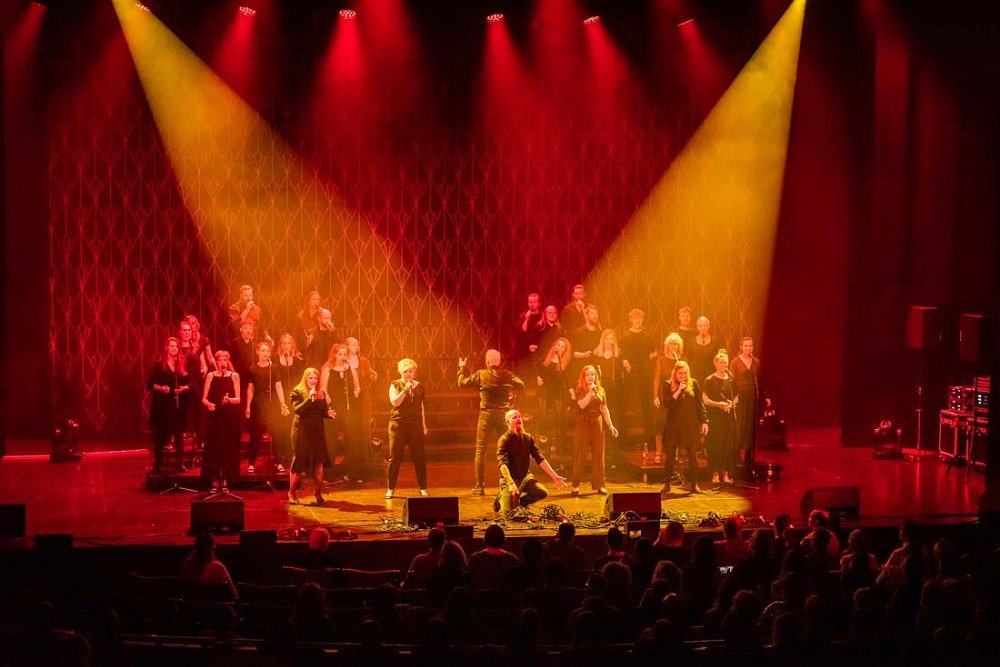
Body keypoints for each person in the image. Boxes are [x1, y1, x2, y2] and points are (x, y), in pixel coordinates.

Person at [457, 349, 525, 495]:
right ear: (499, 361)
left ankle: (479, 486)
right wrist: (509, 390)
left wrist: (462, 368)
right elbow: (521, 384)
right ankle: (508, 484)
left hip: (486, 415)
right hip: (502, 416)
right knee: (507, 449)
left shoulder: (481, 374)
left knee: (481, 450)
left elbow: (462, 383)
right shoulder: (506, 374)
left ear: (487, 361)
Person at [496, 409, 567, 512]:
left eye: (519, 416)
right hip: (509, 479)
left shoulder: (528, 438)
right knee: (509, 513)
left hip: (525, 477)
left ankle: (521, 502)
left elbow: (539, 458)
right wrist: (511, 484)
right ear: (508, 422)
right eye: (514, 417)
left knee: (542, 492)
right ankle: (501, 497)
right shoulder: (504, 440)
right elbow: (502, 465)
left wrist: (555, 476)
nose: (519, 419)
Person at [569, 365, 619, 495]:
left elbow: (604, 409)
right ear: (583, 377)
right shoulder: (579, 389)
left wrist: (610, 425)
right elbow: (581, 405)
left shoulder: (601, 390)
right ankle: (575, 485)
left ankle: (599, 485)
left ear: (596, 376)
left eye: (592, 374)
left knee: (598, 453)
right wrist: (590, 393)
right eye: (587, 375)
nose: (590, 377)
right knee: (581, 453)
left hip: (597, 422)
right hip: (583, 421)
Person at [288, 367, 335, 505]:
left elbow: (322, 411)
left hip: (317, 431)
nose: (314, 380)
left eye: (316, 378)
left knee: (319, 462)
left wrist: (328, 414)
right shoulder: (297, 391)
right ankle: (291, 492)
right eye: (311, 378)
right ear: (305, 378)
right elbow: (298, 410)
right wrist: (309, 398)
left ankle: (318, 492)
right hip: (301, 431)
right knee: (299, 462)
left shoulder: (321, 393)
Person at [660, 360, 708, 494]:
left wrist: (704, 421)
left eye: (685, 373)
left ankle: (694, 484)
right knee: (670, 454)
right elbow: (667, 403)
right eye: (680, 373)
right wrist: (678, 391)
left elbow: (699, 404)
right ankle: (667, 484)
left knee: (692, 454)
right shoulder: (667, 384)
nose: (683, 376)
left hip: (690, 425)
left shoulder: (694, 384)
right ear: (675, 373)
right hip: (674, 425)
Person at [385, 358, 429, 499]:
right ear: (400, 372)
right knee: (395, 458)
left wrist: (424, 425)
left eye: (410, 371)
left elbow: (421, 407)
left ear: (414, 372)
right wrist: (405, 390)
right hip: (398, 425)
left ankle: (423, 488)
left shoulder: (420, 387)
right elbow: (395, 402)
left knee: (419, 457)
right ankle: (390, 488)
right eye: (405, 371)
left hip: (415, 425)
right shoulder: (395, 384)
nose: (408, 374)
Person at [146, 337, 190, 473]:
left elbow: (189, 384)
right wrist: (161, 388)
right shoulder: (159, 366)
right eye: (171, 346)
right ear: (166, 348)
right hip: (162, 406)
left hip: (177, 406)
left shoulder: (181, 366)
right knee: (159, 436)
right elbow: (150, 384)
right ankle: (158, 463)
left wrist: (183, 389)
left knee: (178, 435)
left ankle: (180, 462)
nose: (174, 348)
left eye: (176, 346)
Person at [321, 343, 363, 484]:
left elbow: (357, 387)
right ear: (334, 355)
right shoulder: (328, 369)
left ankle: (352, 473)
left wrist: (356, 393)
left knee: (351, 439)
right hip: (333, 408)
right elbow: (323, 389)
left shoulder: (349, 368)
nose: (342, 357)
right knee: (331, 441)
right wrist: (327, 399)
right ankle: (329, 474)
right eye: (340, 354)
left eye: (345, 354)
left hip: (348, 408)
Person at [201, 350, 241, 493]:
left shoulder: (234, 376)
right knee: (214, 447)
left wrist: (229, 400)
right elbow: (204, 398)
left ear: (228, 362)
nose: (222, 362)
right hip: (214, 416)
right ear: (216, 362)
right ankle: (213, 479)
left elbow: (238, 399)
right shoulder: (210, 376)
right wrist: (208, 404)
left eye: (225, 360)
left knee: (227, 448)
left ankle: (225, 480)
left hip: (229, 417)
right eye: (220, 360)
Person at [619, 308, 657, 450]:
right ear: (631, 319)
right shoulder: (625, 336)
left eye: (639, 318)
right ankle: (623, 439)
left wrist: (651, 357)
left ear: (642, 320)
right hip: (629, 372)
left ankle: (647, 439)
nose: (637, 320)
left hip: (643, 373)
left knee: (646, 405)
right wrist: (625, 363)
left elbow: (653, 352)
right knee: (624, 404)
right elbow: (620, 354)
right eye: (635, 318)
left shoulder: (647, 336)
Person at [702, 349, 737, 485]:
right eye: (721, 362)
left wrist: (730, 405)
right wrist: (719, 405)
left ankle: (725, 472)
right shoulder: (709, 380)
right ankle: (715, 472)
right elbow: (705, 400)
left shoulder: (731, 379)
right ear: (716, 363)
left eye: (725, 362)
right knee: (715, 444)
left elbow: (737, 396)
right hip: (715, 416)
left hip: (728, 416)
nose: (724, 365)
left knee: (727, 445)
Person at [245, 340, 279, 475]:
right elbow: (250, 389)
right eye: (263, 351)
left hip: (271, 403)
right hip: (257, 404)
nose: (265, 353)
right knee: (255, 434)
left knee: (275, 433)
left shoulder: (273, 368)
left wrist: (282, 403)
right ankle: (251, 462)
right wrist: (248, 405)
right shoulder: (252, 369)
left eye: (268, 351)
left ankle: (277, 461)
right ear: (258, 352)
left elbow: (278, 386)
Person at [536, 336, 572, 460]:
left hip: (557, 391)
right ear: (554, 346)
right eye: (558, 345)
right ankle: (543, 444)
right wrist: (538, 378)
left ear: (565, 350)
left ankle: (559, 444)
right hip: (545, 390)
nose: (559, 348)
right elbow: (538, 370)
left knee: (559, 418)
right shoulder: (546, 358)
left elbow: (567, 378)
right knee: (543, 417)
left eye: (562, 347)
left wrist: (571, 391)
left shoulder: (565, 363)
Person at [652, 333, 685, 464]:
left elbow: (686, 376)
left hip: (679, 393)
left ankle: (676, 454)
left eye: (676, 344)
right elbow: (656, 379)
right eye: (671, 344)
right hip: (664, 394)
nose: (673, 346)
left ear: (679, 346)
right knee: (660, 424)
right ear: (667, 345)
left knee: (677, 424)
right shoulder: (661, 359)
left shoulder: (682, 360)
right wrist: (655, 396)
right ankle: (658, 452)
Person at [731, 336, 763, 475]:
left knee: (750, 425)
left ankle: (748, 455)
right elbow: (731, 381)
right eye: (746, 346)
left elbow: (760, 380)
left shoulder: (756, 362)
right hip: (740, 396)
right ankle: (736, 455)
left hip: (752, 397)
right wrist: (733, 397)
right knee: (740, 425)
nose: (748, 348)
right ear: (741, 347)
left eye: (750, 346)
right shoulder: (735, 362)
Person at [593, 328, 625, 466]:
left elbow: (621, 374)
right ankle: (600, 445)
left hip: (614, 389)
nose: (609, 341)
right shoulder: (597, 354)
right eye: (607, 338)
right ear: (603, 339)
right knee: (601, 414)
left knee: (613, 414)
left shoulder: (617, 355)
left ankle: (613, 446)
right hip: (601, 387)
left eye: (612, 338)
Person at [271, 333, 301, 474]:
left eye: (288, 343)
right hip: (279, 396)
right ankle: (278, 458)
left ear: (292, 345)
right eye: (283, 343)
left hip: (293, 397)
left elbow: (301, 380)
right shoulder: (275, 360)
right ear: (280, 345)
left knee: (292, 428)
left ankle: (291, 456)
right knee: (279, 429)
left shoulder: (297, 360)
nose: (286, 346)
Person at [347, 336, 378, 464]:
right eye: (353, 344)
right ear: (347, 346)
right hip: (349, 395)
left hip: (363, 395)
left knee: (364, 425)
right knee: (352, 425)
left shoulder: (363, 361)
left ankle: (364, 455)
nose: (356, 346)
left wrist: (372, 375)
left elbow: (370, 377)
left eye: (357, 344)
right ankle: (352, 456)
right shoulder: (344, 360)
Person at [181, 532, 237, 600]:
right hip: (214, 605)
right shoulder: (217, 566)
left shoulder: (188, 564)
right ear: (212, 547)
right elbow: (234, 595)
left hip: (190, 605)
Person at [467, 524, 520, 588]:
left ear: (485, 538)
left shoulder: (476, 559)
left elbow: (469, 581)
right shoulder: (512, 559)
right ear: (503, 539)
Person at [516, 292, 545, 359]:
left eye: (534, 302)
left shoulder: (543, 315)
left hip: (540, 349)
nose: (532, 304)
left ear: (539, 303)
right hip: (526, 349)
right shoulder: (523, 316)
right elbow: (522, 332)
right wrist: (526, 319)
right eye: (530, 302)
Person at [688, 316, 716, 384]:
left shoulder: (715, 341)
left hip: (711, 374)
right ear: (697, 327)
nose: (703, 328)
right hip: (695, 374)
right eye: (700, 326)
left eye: (705, 325)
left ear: (709, 326)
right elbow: (688, 358)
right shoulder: (691, 342)